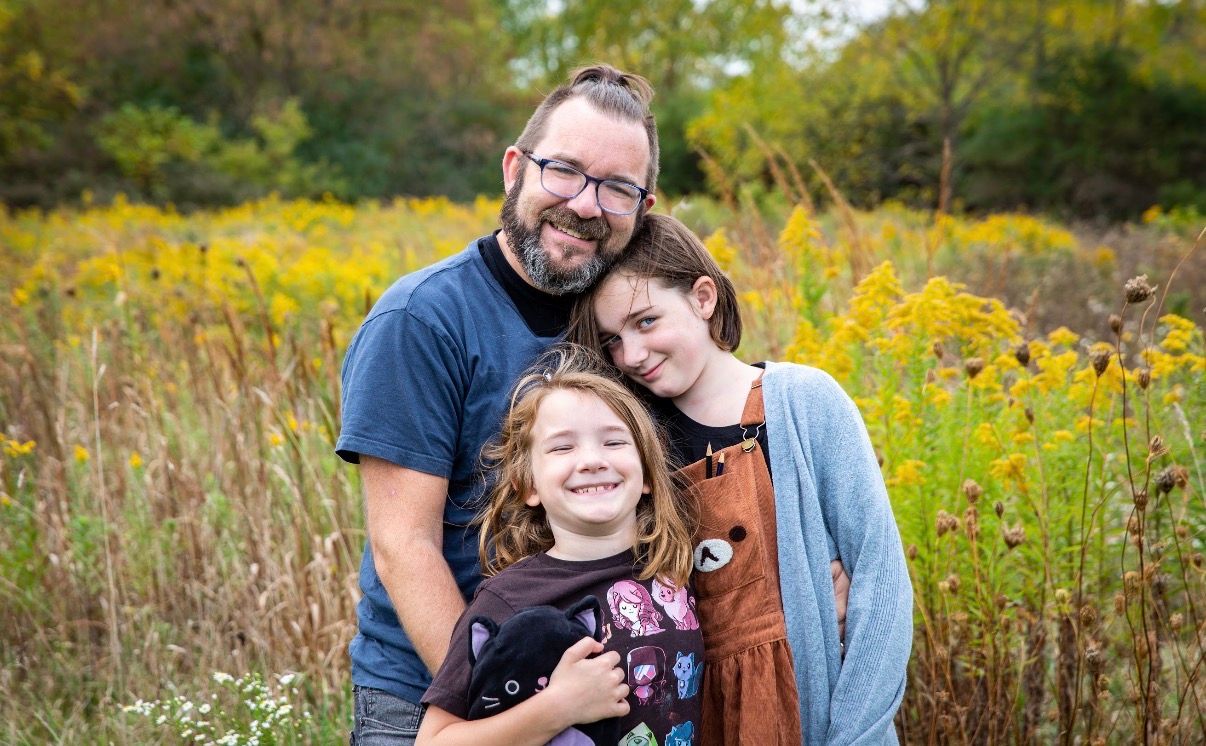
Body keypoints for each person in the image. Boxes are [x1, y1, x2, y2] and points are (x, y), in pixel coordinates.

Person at [335, 65, 659, 744]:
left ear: (643, 210)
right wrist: (506, 716)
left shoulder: (631, 329)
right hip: (437, 700)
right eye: (564, 171)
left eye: (617, 189)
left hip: (600, 690)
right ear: (515, 169)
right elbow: (404, 545)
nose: (586, 204)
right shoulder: (421, 321)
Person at [570, 213, 913, 745]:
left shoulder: (804, 403)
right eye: (613, 340)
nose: (632, 355)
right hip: (694, 718)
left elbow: (880, 577)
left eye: (645, 321)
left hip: (819, 721)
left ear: (702, 298)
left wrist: (857, 736)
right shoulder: (635, 443)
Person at [416, 344, 703, 745]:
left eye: (614, 442)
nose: (591, 460)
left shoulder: (672, 569)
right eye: (563, 447)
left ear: (648, 473)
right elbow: (435, 740)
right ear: (527, 484)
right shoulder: (510, 600)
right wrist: (560, 705)